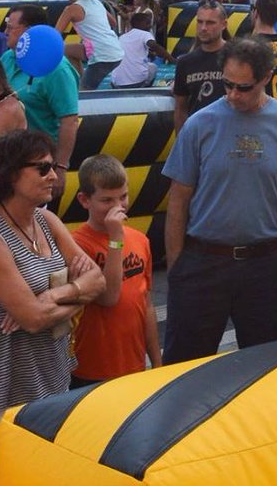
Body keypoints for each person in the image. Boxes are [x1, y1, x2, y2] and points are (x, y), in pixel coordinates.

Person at [162, 37, 277, 363]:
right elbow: (178, 201)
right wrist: (177, 268)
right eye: (227, 85)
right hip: (203, 261)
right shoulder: (199, 124)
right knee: (184, 367)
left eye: (243, 88)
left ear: (265, 78)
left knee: (266, 368)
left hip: (265, 265)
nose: (233, 95)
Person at [0, 130, 105, 434]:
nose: (53, 175)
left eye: (52, 166)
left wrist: (55, 296)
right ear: (10, 175)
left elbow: (97, 280)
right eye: (42, 168)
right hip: (10, 382)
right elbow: (35, 320)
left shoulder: (46, 220)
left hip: (52, 369)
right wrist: (75, 297)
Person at [70, 154, 161, 386]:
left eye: (123, 197)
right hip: (91, 367)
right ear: (84, 200)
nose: (117, 207)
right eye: (106, 200)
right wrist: (116, 239)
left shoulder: (140, 240)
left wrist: (157, 363)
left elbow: (146, 304)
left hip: (134, 364)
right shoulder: (77, 244)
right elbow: (109, 297)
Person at [1, 7, 79, 200]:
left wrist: (60, 168)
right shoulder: (8, 58)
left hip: (39, 162)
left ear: (29, 32)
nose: (5, 32)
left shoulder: (57, 69)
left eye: (10, 27)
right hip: (7, 158)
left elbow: (69, 121)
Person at [55, 0, 125, 90]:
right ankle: (80, 79)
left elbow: (55, 34)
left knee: (85, 93)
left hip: (102, 55)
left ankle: (81, 85)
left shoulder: (71, 9)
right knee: (65, 50)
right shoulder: (97, 2)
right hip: (115, 50)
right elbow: (113, 22)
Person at [172, 2, 228, 131]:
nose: (203, 28)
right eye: (200, 22)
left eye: (210, 23)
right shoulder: (185, 62)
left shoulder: (236, 57)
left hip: (229, 134)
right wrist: (182, 143)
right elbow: (180, 109)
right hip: (198, 135)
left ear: (223, 25)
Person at [109, 11, 158, 88]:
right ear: (139, 24)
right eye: (148, 23)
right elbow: (153, 45)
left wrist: (150, 54)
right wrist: (172, 59)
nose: (150, 26)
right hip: (136, 82)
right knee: (153, 67)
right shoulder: (145, 34)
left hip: (116, 83)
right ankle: (145, 89)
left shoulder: (122, 37)